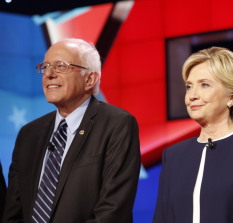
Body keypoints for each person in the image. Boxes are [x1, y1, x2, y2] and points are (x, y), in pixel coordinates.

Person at [3, 38, 141, 223]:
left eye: (60, 66)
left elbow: (112, 211)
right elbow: (13, 212)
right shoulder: (28, 134)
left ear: (90, 79)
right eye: (45, 66)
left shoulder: (117, 124)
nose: (49, 74)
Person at [152, 46, 233, 223]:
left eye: (204, 85)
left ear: (232, 97)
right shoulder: (173, 155)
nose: (192, 95)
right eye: (189, 87)